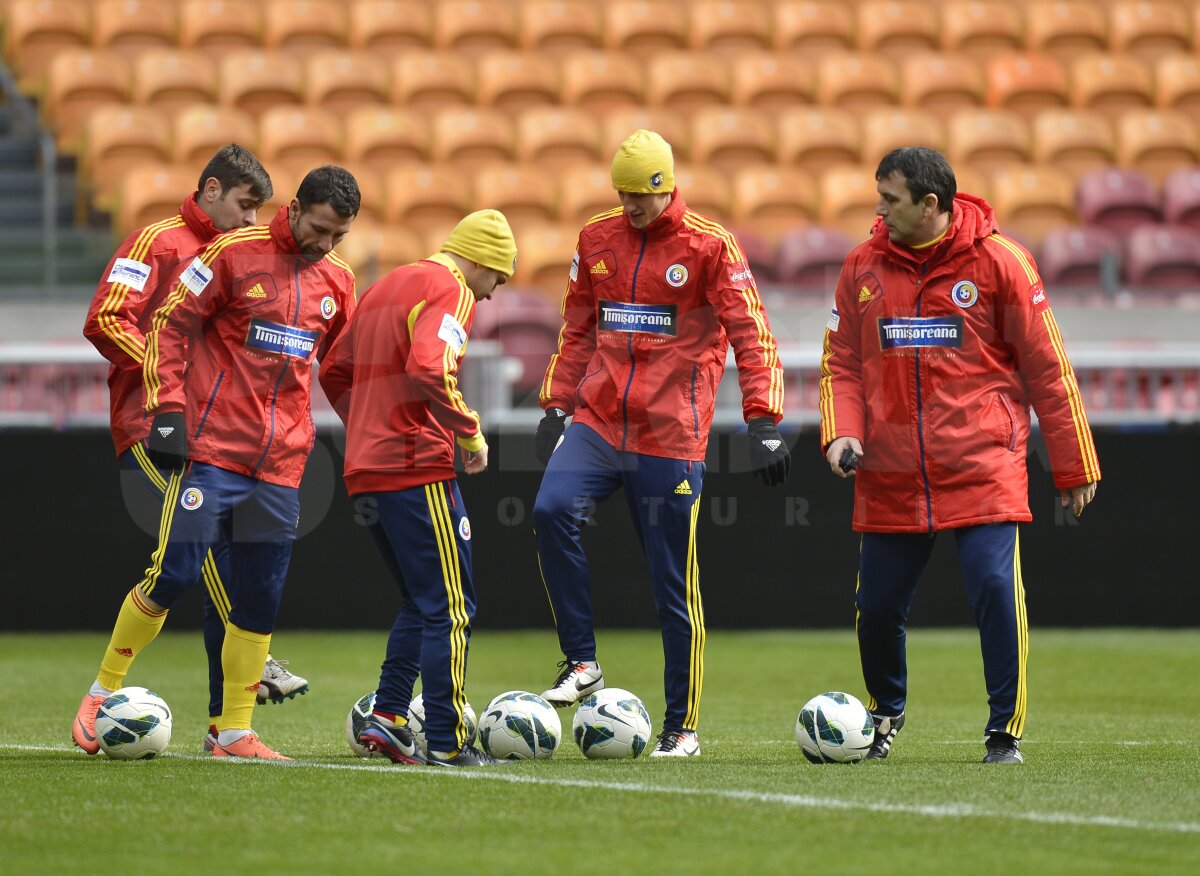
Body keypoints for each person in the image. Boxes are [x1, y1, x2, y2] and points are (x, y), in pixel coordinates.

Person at [819, 147, 1100, 765]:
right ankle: (886, 711)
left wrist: (1074, 462)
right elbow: (841, 361)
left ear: (930, 204)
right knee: (877, 608)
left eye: (890, 199)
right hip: (889, 471)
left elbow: (1047, 368)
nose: (878, 209)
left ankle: (1005, 731)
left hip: (983, 462)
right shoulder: (861, 266)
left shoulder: (1003, 262)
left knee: (997, 591)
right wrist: (841, 430)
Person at [72, 165, 361, 760]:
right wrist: (169, 410)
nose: (327, 244)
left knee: (259, 594)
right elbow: (171, 327)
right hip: (213, 450)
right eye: (321, 229)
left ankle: (232, 731)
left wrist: (368, 427)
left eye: (340, 236)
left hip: (281, 464)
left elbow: (339, 369)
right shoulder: (230, 253)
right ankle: (103, 690)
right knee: (176, 570)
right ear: (298, 207)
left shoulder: (339, 281)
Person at [531, 130, 790, 758]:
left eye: (641, 196)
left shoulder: (710, 246)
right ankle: (582, 661)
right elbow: (577, 327)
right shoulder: (597, 239)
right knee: (547, 510)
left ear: (666, 186)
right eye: (621, 195)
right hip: (597, 421)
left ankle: (684, 726)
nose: (631, 207)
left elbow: (752, 333)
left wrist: (763, 419)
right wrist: (556, 403)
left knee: (671, 583)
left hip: (671, 432)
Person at [320, 209, 518, 768]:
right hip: (416, 468)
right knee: (452, 607)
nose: (491, 297)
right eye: (496, 280)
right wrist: (471, 433)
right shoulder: (448, 287)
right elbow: (432, 368)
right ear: (478, 259)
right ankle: (452, 743)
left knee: (421, 599)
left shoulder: (388, 284)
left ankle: (387, 716)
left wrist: (366, 427)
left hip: (366, 470)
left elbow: (333, 369)